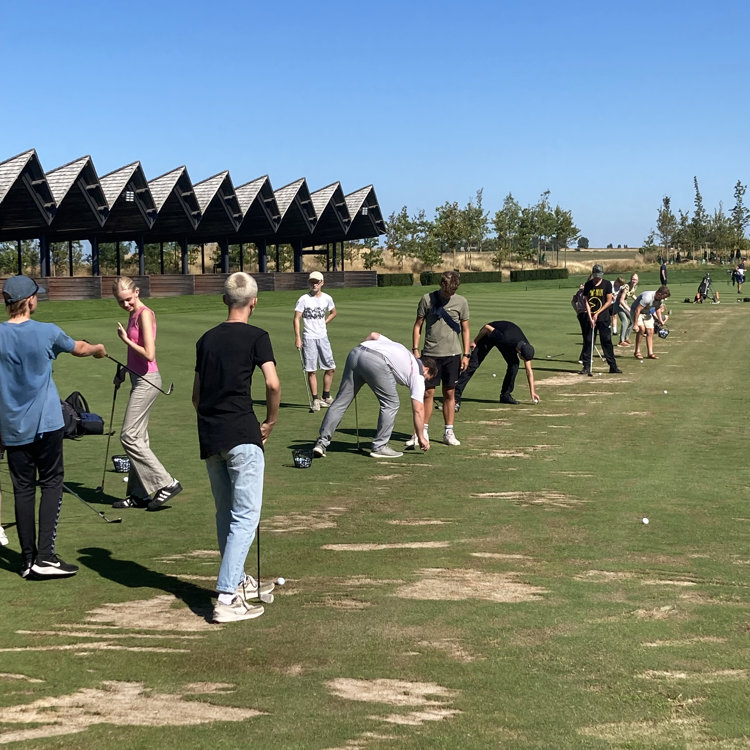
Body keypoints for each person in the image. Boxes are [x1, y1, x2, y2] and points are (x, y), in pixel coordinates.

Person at [0, 275, 107, 579]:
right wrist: (99, 349)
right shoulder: (47, 332)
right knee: (51, 483)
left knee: (22, 490)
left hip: (11, 427)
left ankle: (27, 560)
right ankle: (44, 556)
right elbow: (80, 348)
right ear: (30, 301)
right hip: (46, 425)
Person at [193, 272, 280, 624]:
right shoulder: (258, 336)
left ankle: (240, 580)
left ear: (224, 300)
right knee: (245, 517)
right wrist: (270, 421)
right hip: (243, 433)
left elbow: (196, 397)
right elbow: (272, 384)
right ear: (254, 302)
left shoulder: (205, 340)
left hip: (211, 435)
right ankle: (227, 596)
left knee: (225, 514)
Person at [111, 277, 182, 512]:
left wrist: (124, 340)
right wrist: (122, 370)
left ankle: (167, 483)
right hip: (135, 377)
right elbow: (136, 354)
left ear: (137, 292)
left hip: (148, 381)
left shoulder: (144, 314)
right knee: (139, 439)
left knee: (128, 436)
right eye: (121, 302)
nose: (126, 305)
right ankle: (138, 494)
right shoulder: (132, 315)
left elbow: (149, 354)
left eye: (128, 300)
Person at [313, 333, 435, 458]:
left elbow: (374, 335)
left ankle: (321, 444)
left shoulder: (402, 350)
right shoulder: (418, 374)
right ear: (426, 369)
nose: (424, 381)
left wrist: (362, 357)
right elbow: (418, 409)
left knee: (340, 402)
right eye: (427, 378)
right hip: (375, 361)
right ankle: (379, 447)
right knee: (391, 403)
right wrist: (421, 437)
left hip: (356, 352)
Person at [410, 271, 470, 447]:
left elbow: (465, 329)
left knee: (450, 393)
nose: (449, 294)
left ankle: (448, 431)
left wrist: (466, 354)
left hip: (453, 354)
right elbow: (418, 325)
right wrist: (415, 349)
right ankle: (423, 431)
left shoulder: (462, 302)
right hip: (430, 354)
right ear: (441, 284)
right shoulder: (427, 299)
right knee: (428, 393)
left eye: (452, 291)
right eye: (446, 291)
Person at [454, 321, 539, 409]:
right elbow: (487, 327)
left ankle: (505, 395)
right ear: (520, 352)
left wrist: (532, 392)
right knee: (473, 365)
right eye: (524, 359)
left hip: (505, 338)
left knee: (514, 365)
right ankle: (455, 396)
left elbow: (529, 371)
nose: (525, 362)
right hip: (488, 334)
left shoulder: (526, 347)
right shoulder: (506, 339)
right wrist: (475, 341)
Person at [294, 271, 336, 411]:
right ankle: (315, 399)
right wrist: (298, 338)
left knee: (330, 368)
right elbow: (296, 318)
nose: (314, 284)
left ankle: (326, 396)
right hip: (309, 337)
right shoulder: (304, 299)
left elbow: (333, 312)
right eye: (312, 281)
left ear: (322, 282)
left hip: (323, 337)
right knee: (311, 370)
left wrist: (325, 322)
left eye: (317, 282)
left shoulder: (327, 298)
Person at [579, 264, 621, 375]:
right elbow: (587, 302)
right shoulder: (588, 285)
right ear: (593, 274)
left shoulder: (606, 284)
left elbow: (608, 301)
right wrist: (590, 316)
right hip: (590, 318)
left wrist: (597, 313)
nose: (598, 278)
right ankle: (586, 367)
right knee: (588, 342)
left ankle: (613, 366)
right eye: (596, 276)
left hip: (603, 317)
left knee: (606, 341)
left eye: (600, 276)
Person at [630, 286, 670, 359]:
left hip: (646, 312)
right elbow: (637, 310)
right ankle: (637, 352)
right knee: (641, 329)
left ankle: (650, 353)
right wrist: (635, 324)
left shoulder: (660, 300)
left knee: (650, 331)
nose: (663, 299)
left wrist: (660, 320)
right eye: (663, 297)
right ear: (659, 294)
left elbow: (657, 308)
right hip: (636, 311)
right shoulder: (647, 297)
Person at [616, 274, 639, 346]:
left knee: (633, 319)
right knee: (625, 321)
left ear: (638, 281)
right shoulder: (626, 286)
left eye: (635, 279)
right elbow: (621, 301)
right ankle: (621, 341)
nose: (634, 281)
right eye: (632, 279)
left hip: (624, 303)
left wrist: (639, 301)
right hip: (618, 303)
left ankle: (626, 338)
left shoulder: (634, 287)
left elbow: (632, 294)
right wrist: (629, 309)